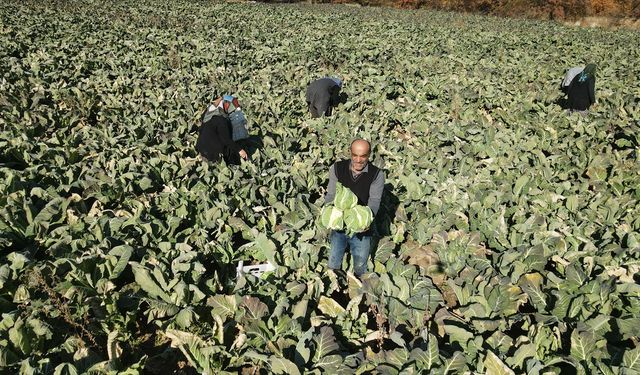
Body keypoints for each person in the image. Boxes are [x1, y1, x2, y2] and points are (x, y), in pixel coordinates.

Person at [325, 139, 385, 276]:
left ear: (369, 155)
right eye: (355, 155)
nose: (358, 160)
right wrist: (328, 213)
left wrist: (366, 222)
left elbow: (374, 201)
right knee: (333, 262)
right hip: (339, 225)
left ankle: (358, 288)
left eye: (363, 156)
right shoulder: (337, 168)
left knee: (360, 265)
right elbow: (331, 194)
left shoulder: (377, 174)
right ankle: (335, 287)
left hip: (362, 228)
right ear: (349, 153)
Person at [195, 95, 248, 164]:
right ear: (226, 106)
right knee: (232, 150)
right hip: (211, 154)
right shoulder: (221, 120)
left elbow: (201, 130)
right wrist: (240, 150)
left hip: (200, 148)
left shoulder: (208, 114)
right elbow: (226, 139)